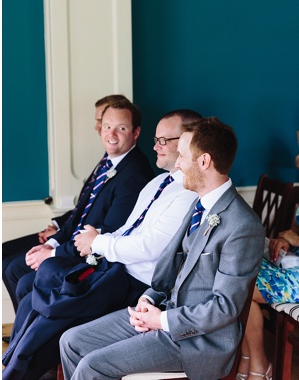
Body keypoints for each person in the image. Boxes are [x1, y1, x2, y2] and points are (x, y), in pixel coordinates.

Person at [60, 117, 265, 380]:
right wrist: (149, 299)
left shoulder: (242, 225)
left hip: (198, 343)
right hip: (163, 313)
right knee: (72, 341)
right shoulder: (198, 205)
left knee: (93, 365)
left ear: (203, 162)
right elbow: (172, 270)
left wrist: (162, 321)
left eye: (181, 156)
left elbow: (224, 307)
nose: (177, 164)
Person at [2, 110, 201, 380]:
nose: (156, 146)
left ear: (190, 142)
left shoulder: (187, 192)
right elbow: (128, 229)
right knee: (37, 298)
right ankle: (20, 367)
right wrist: (97, 241)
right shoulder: (159, 182)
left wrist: (99, 243)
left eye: (164, 140)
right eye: (156, 139)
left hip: (134, 286)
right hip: (113, 270)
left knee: (55, 313)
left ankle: (20, 371)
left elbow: (150, 248)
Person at [3, 99, 154, 310]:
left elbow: (109, 233)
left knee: (20, 276)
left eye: (121, 128)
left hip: (93, 258)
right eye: (107, 127)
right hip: (72, 244)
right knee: (13, 267)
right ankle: (26, 334)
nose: (111, 135)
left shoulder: (135, 174)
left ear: (135, 133)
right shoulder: (109, 161)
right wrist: (52, 243)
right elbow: (79, 214)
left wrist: (53, 254)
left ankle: (33, 337)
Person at [2, 94, 132, 263]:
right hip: (68, 232)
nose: (97, 127)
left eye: (101, 121)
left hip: (85, 246)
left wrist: (56, 240)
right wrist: (58, 228)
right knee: (4, 253)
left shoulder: (128, 171)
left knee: (14, 267)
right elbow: (83, 207)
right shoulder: (106, 161)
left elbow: (102, 223)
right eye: (104, 123)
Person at [237, 210, 299, 379]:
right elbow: (296, 227)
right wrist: (285, 238)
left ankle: (258, 365)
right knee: (241, 278)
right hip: (292, 262)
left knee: (243, 290)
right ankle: (251, 360)